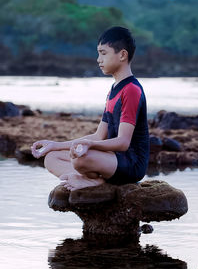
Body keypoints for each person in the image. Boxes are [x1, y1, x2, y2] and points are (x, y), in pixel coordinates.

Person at [31, 26, 149, 191]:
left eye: (103, 53)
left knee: (80, 159)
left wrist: (87, 145)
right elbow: (99, 135)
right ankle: (82, 178)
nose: (98, 59)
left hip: (131, 164)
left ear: (122, 54)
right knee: (52, 158)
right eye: (98, 53)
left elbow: (123, 143)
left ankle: (95, 182)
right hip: (111, 160)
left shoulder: (131, 90)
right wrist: (55, 144)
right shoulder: (113, 91)